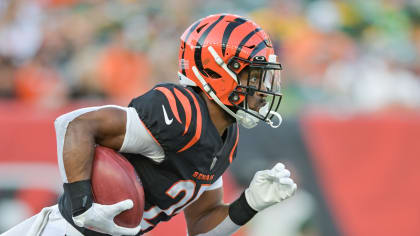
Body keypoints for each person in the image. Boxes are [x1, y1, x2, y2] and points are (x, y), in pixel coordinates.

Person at [2, 13, 297, 236]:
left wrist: (249, 203)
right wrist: (82, 208)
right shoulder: (180, 111)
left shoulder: (226, 137)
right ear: (216, 70)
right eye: (253, 76)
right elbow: (74, 124)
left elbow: (201, 224)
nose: (261, 90)